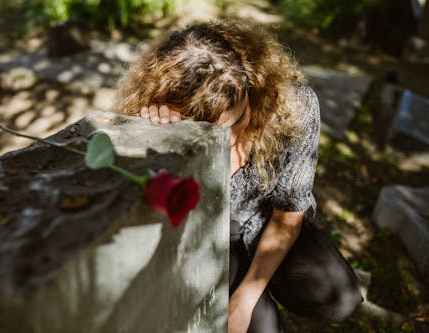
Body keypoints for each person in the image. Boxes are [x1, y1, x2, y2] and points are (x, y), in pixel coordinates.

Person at [113, 20, 363, 333]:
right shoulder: (167, 119)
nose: (230, 141)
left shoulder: (296, 107)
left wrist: (247, 295)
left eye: (239, 119)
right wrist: (157, 137)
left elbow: (288, 215)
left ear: (251, 85)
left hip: (268, 219)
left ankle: (263, 287)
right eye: (211, 133)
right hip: (216, 233)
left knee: (341, 300)